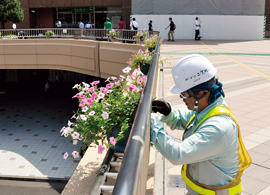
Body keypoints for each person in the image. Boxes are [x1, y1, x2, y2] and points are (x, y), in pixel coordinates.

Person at [151, 54, 251, 195]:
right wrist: (169, 112)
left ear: (202, 93)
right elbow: (189, 119)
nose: (182, 97)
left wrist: (151, 123)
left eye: (185, 94)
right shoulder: (209, 109)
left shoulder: (218, 127)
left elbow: (178, 154)